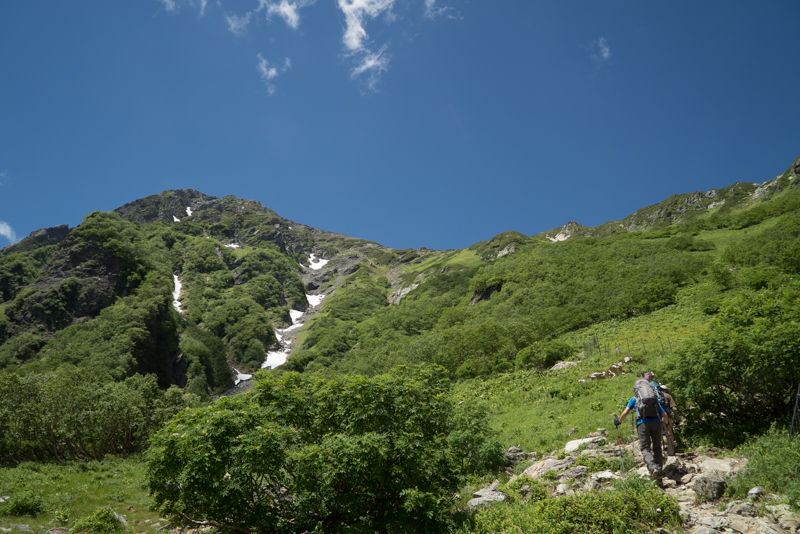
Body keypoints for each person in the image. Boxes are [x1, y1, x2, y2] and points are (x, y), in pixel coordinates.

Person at [615, 380, 665, 477]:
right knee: (657, 448)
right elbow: (664, 414)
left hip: (642, 424)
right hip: (656, 423)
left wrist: (619, 422)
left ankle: (653, 468)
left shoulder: (635, 399)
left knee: (645, 448)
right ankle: (659, 469)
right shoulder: (654, 399)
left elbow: (625, 412)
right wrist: (666, 423)